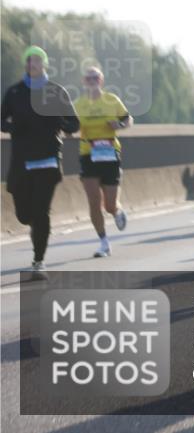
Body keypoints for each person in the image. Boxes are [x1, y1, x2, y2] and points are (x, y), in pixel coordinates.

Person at [1, 46, 80, 278]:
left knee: (41, 211)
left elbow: (73, 124)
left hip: (48, 161)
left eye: (36, 61)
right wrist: (14, 127)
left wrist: (62, 124)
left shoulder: (56, 91)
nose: (32, 64)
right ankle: (35, 229)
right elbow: (1, 121)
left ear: (44, 64)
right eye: (28, 61)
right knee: (25, 215)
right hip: (21, 162)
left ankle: (38, 261)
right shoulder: (15, 92)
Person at [75, 66, 131, 258]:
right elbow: (71, 125)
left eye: (95, 78)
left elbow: (128, 119)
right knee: (93, 201)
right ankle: (104, 242)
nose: (92, 81)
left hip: (109, 153)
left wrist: (120, 125)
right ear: (84, 82)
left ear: (101, 80)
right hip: (88, 153)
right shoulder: (79, 104)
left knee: (109, 205)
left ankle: (117, 211)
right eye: (88, 78)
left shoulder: (112, 100)